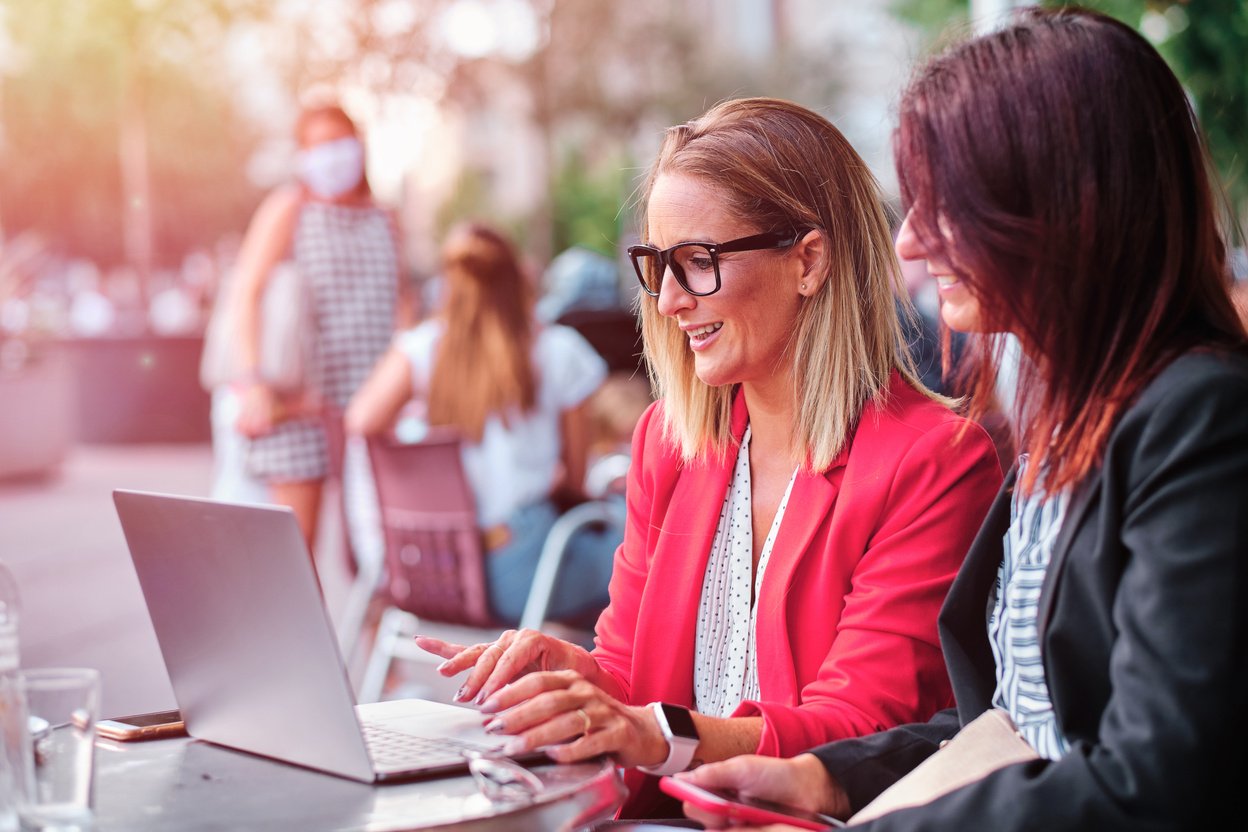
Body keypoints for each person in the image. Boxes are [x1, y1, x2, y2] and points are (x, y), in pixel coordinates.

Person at [673, 8, 1248, 831]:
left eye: (947, 205)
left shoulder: (1202, 422)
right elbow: (1004, 730)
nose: (908, 243)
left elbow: (1158, 776)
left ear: (1062, 208)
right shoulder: (1065, 431)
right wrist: (823, 781)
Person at [417, 98, 1003, 818]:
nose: (666, 301)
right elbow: (634, 679)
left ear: (808, 262)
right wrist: (574, 679)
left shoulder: (936, 462)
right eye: (657, 264)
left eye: (696, 263)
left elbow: (862, 731)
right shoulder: (672, 441)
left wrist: (646, 732)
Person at [344, 222, 618, 626]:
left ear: (447, 284)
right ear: (515, 279)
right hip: (522, 574)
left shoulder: (419, 351)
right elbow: (576, 482)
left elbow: (361, 421)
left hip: (429, 570)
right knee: (644, 548)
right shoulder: (556, 351)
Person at [233, 103, 401, 551]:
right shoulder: (289, 209)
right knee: (296, 551)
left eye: (340, 143)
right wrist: (253, 381)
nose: (333, 156)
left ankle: (372, 626)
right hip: (298, 407)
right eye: (320, 146)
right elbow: (246, 295)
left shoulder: (385, 218)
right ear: (302, 156)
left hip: (370, 407)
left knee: (378, 554)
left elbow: (402, 305)